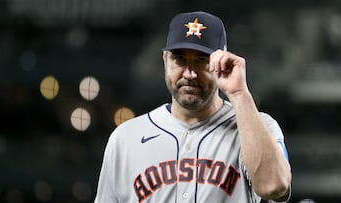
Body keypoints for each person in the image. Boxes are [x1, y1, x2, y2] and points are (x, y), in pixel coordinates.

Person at [94, 11, 292, 203]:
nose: (189, 73)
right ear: (165, 61)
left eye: (202, 60)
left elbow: (274, 187)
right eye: (179, 59)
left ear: (221, 63)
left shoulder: (258, 126)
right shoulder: (126, 137)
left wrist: (239, 93)